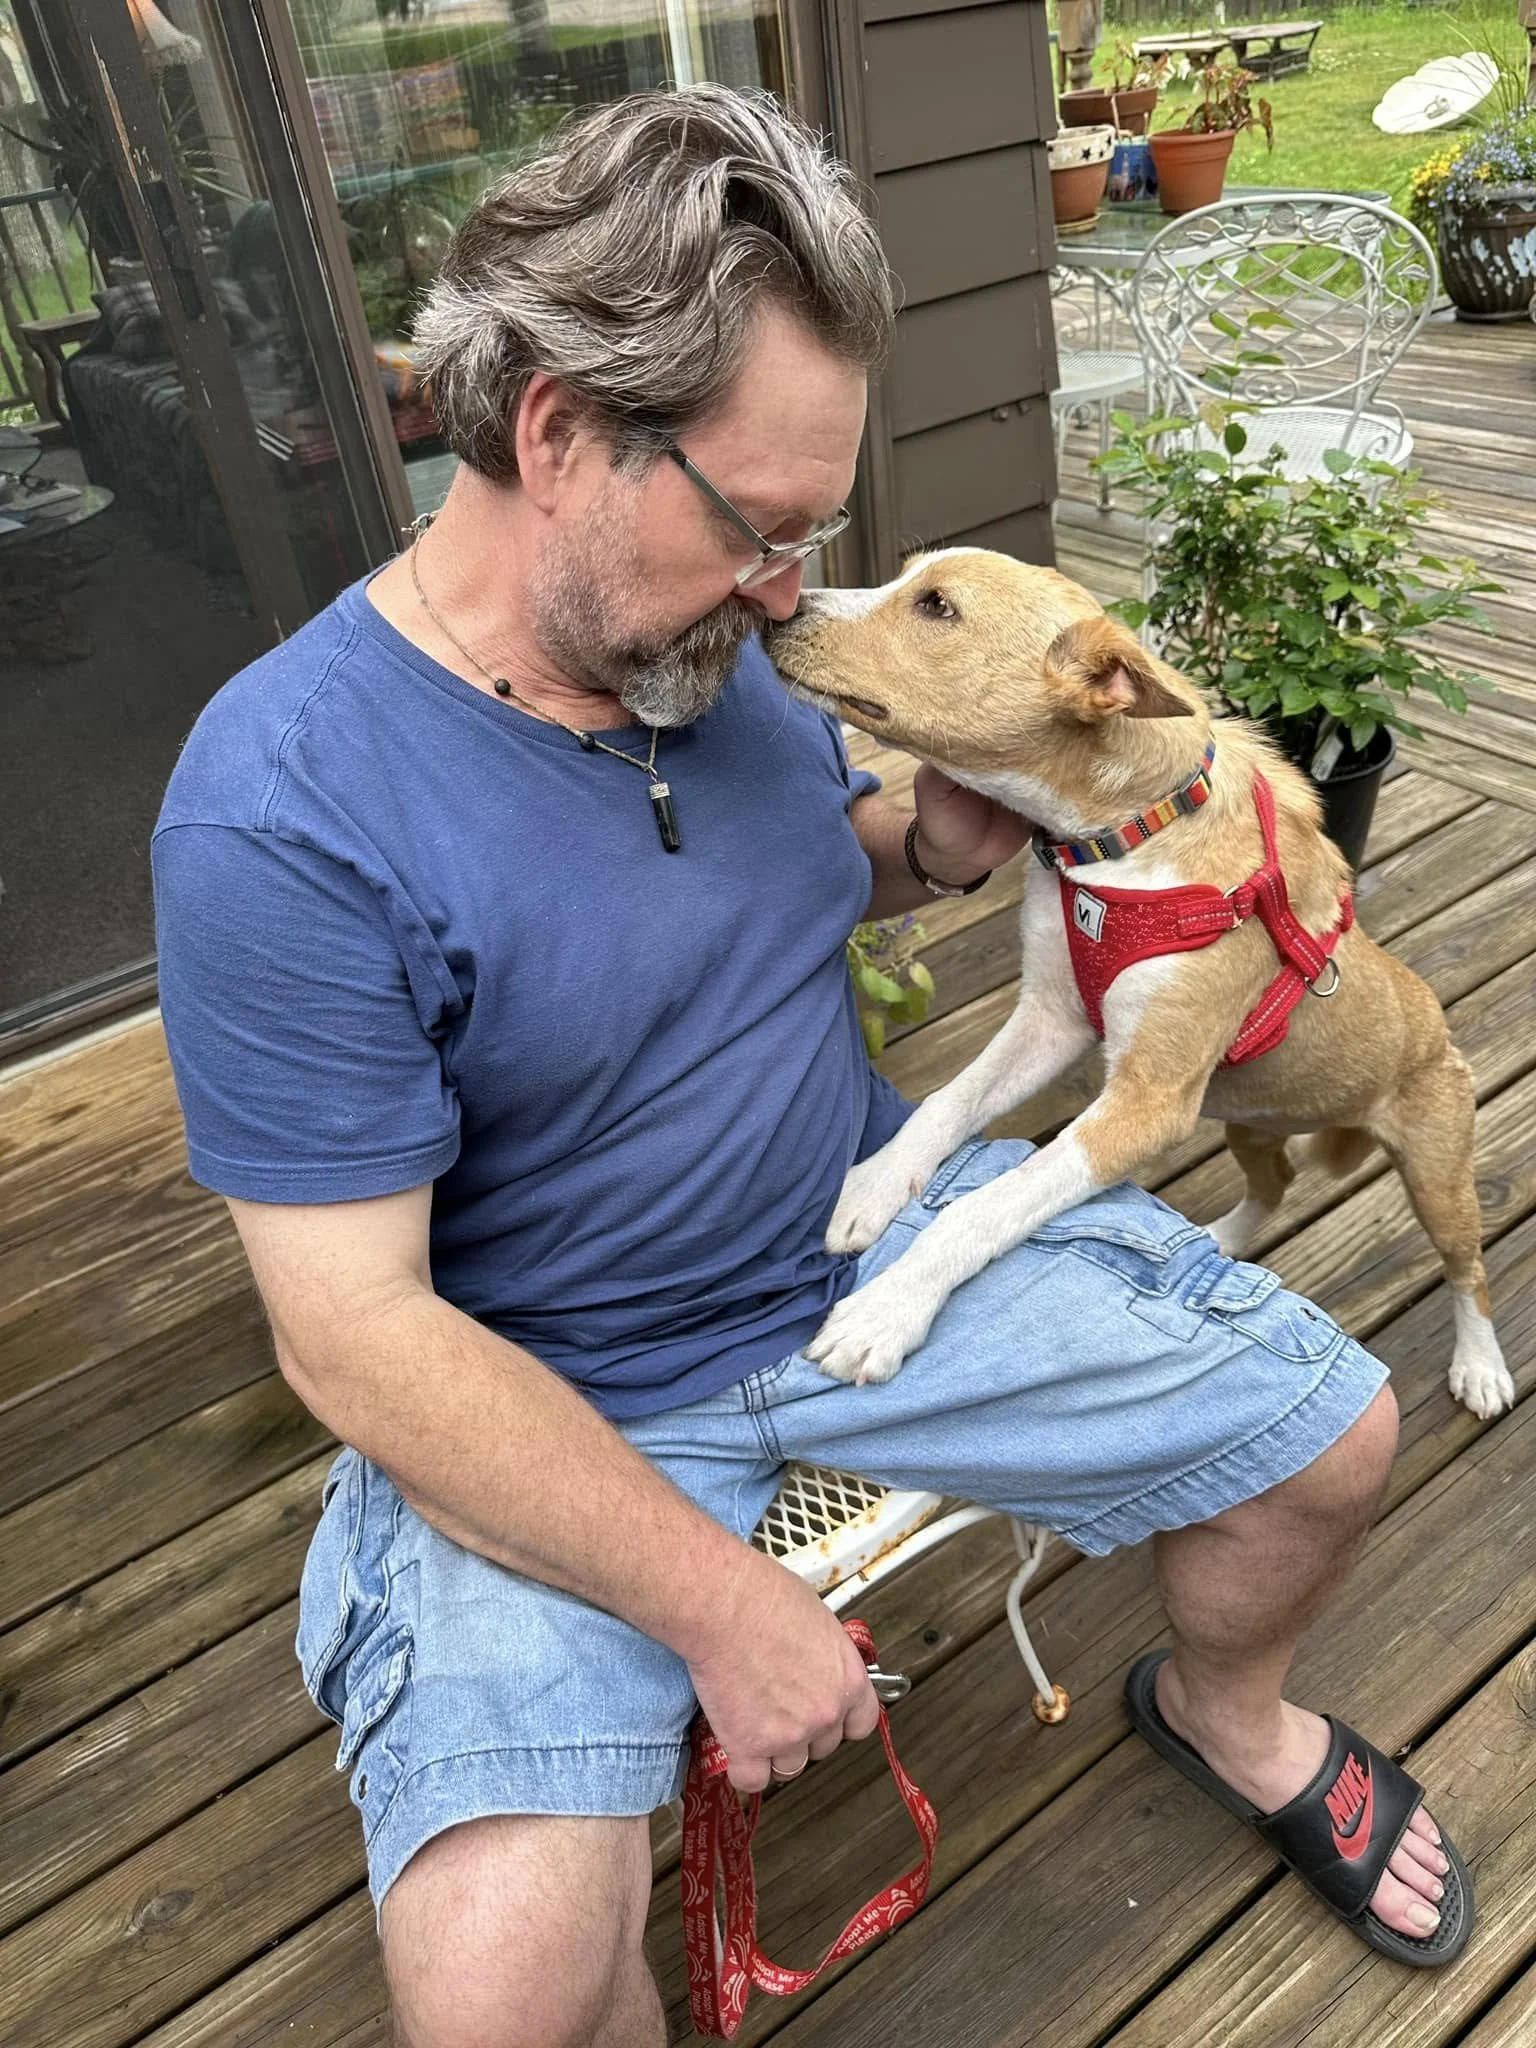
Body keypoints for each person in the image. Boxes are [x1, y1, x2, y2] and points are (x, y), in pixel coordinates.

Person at [152, 84, 1463, 2048]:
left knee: (1339, 1441)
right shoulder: (285, 811)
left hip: (866, 1240)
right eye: (759, 531)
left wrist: (927, 843)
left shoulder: (702, 656)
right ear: (559, 435)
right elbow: (351, 1339)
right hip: (554, 1384)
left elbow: (788, 866)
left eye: (812, 537)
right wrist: (717, 1601)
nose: (793, 591)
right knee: (503, 1989)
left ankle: (1225, 1709)